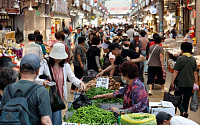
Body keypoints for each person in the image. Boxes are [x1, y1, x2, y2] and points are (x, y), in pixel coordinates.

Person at [35, 43, 86, 125]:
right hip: (47, 97)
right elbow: (35, 77)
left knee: (57, 120)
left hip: (58, 98)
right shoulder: (45, 63)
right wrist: (43, 82)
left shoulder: (65, 65)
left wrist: (80, 83)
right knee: (47, 120)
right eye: (57, 57)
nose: (59, 59)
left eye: (60, 57)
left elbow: (72, 78)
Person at [1, 54, 52, 125]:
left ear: (19, 70)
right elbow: (45, 121)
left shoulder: (8, 88)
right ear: (37, 71)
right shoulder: (41, 91)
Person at [171, 42, 199, 118]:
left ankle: (183, 111)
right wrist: (196, 83)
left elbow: (176, 71)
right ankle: (184, 115)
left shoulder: (179, 59)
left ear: (182, 49)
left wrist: (172, 81)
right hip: (189, 84)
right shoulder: (193, 60)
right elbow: (195, 73)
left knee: (177, 98)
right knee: (186, 100)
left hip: (180, 83)